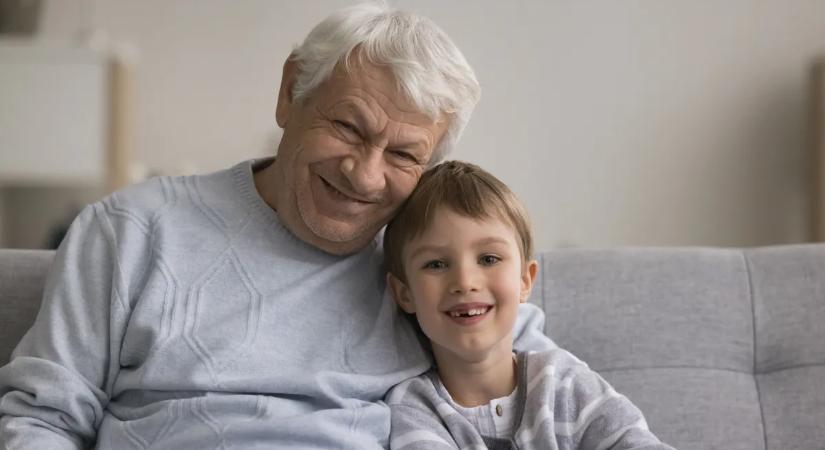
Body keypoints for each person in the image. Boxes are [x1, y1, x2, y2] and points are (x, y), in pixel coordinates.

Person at [0, 3, 556, 448]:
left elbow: (537, 381)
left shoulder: (427, 264)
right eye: (348, 127)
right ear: (290, 91)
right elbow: (41, 422)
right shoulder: (130, 230)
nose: (364, 176)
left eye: (404, 155)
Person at [383, 161, 674, 449]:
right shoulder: (413, 408)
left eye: (488, 259)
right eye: (436, 264)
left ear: (525, 280)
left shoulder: (565, 381)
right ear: (404, 293)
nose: (465, 281)